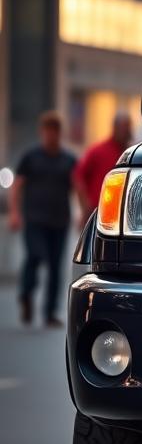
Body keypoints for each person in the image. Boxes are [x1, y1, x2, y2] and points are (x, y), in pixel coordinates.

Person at [8, 111, 77, 328]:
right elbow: (17, 186)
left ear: (59, 133)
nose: (51, 135)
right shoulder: (31, 157)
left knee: (56, 266)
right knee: (37, 255)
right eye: (47, 131)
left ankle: (49, 313)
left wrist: (83, 212)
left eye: (54, 131)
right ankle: (26, 293)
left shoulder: (68, 160)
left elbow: (78, 187)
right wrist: (15, 213)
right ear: (42, 132)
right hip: (34, 220)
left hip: (59, 221)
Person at [74, 112, 132, 223]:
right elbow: (78, 176)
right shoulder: (97, 151)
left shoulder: (131, 154)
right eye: (125, 128)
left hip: (124, 216)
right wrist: (85, 205)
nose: (127, 132)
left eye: (128, 128)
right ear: (115, 128)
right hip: (97, 213)